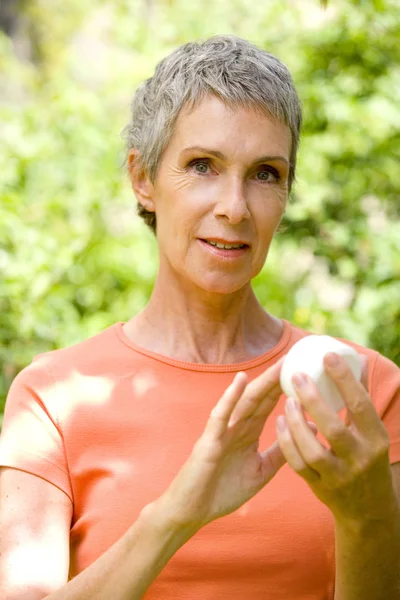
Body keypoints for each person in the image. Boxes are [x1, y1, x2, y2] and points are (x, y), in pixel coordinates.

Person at [0, 35, 399, 600]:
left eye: (264, 173)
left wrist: (366, 517)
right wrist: (175, 516)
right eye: (202, 165)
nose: (234, 207)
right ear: (144, 180)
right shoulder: (52, 399)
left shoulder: (363, 392)